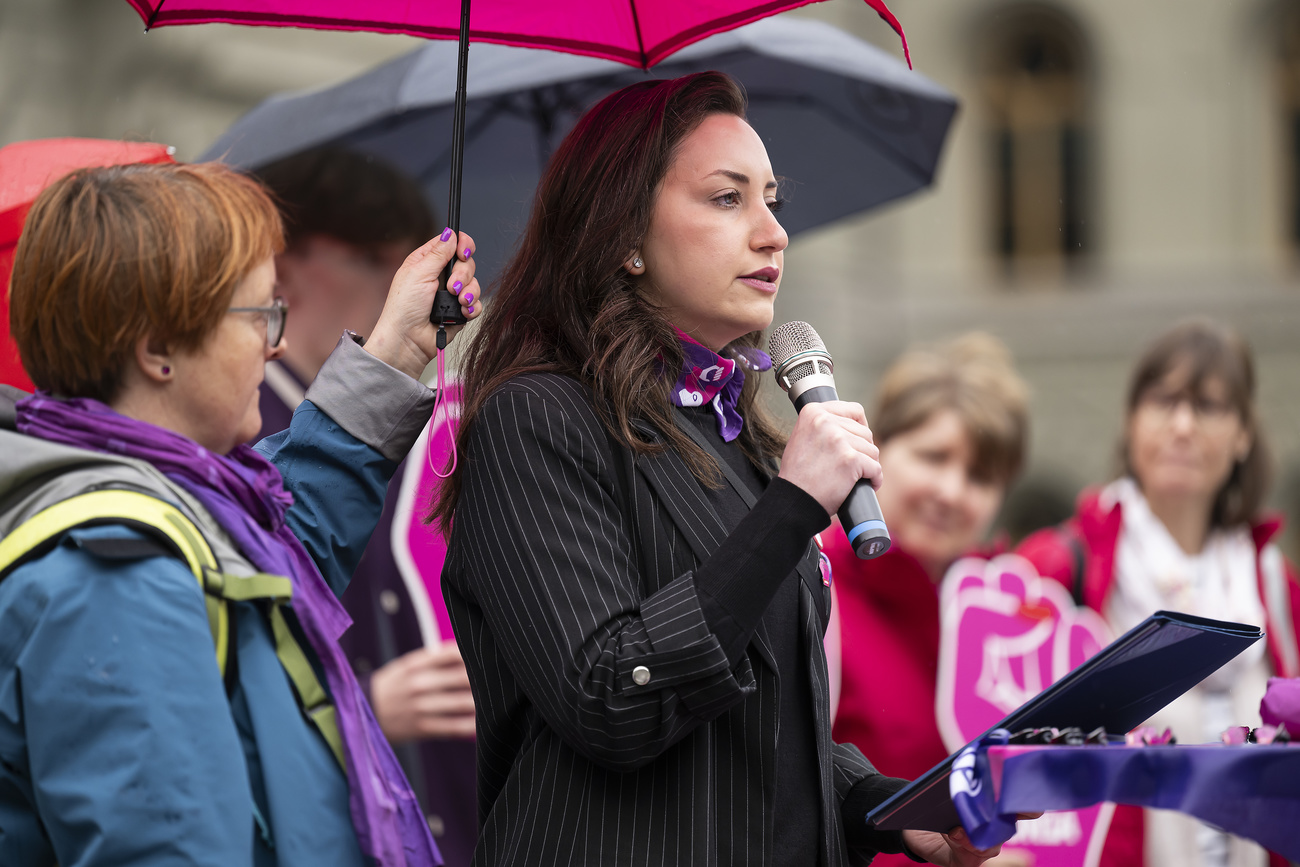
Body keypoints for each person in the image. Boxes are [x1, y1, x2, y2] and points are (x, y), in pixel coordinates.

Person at [433, 71, 1011, 867]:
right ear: (625, 235)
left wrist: (881, 804)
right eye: (727, 198)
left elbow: (755, 724)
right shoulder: (535, 421)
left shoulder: (734, 432)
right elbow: (610, 696)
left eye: (772, 198)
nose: (774, 232)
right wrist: (792, 506)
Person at [0, 160, 478, 866]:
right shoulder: (117, 574)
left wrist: (394, 352)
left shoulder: (148, 508)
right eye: (259, 313)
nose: (275, 341)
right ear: (159, 348)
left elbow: (281, 541)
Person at [252, 147, 477, 866]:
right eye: (377, 260)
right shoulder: (232, 425)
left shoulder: (425, 419)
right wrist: (365, 704)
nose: (403, 288)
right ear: (284, 266)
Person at [1016, 318, 1300, 867]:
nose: (1183, 425)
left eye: (1210, 406)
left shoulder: (1273, 583)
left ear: (1243, 434)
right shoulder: (1055, 568)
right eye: (1163, 401)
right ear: (1131, 421)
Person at [823, 334, 1030, 867]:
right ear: (878, 449)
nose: (952, 491)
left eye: (980, 476)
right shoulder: (815, 579)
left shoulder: (1014, 611)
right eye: (933, 457)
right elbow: (792, 794)